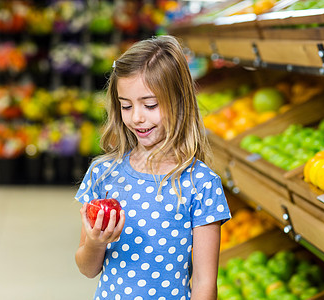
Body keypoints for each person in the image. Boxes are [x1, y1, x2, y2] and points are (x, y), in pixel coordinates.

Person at [75, 35, 231, 300]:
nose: (136, 117)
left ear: (179, 101)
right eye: (126, 106)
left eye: (150, 105)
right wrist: (95, 242)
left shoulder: (201, 184)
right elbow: (87, 269)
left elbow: (205, 283)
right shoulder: (104, 175)